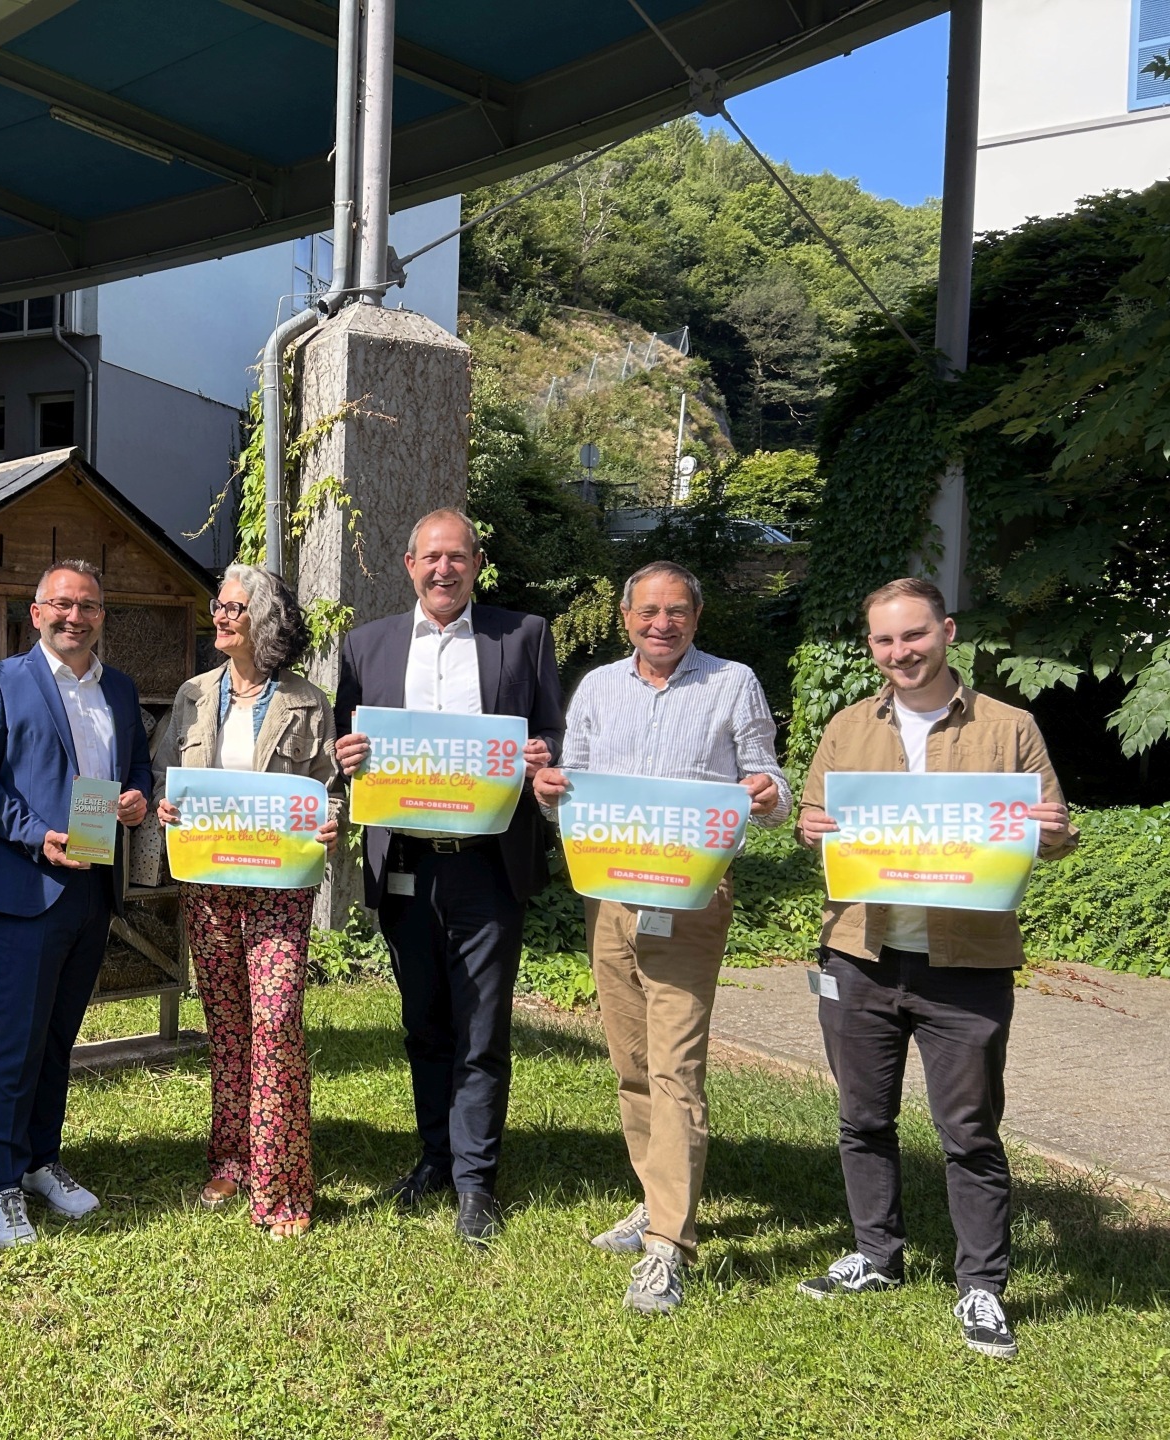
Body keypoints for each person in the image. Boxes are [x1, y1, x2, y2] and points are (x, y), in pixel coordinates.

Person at [794, 577, 1076, 1359]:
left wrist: (1051, 829)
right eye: (884, 641)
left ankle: (981, 1289)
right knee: (862, 1119)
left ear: (946, 632)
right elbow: (812, 821)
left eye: (914, 636)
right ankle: (877, 1257)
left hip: (968, 963)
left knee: (970, 1132)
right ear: (871, 648)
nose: (900, 653)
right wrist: (812, 826)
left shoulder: (1008, 726)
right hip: (860, 956)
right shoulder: (848, 727)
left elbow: (1052, 834)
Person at [530, 561, 790, 1314]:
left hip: (689, 899)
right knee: (633, 1062)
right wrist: (549, 793)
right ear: (625, 616)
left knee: (676, 1065)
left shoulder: (732, 683)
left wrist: (768, 795)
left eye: (677, 611)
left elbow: (767, 787)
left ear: (696, 618)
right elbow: (567, 792)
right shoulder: (598, 688)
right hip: (610, 899)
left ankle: (668, 1245)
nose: (662, 623)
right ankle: (655, 1195)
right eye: (648, 611)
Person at [334, 508, 561, 1246]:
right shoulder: (366, 646)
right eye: (431, 557)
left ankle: (476, 1183)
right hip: (406, 865)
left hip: (488, 869)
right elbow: (346, 742)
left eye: (457, 557)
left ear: (477, 561)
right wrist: (346, 759)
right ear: (409, 564)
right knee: (423, 1024)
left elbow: (555, 731)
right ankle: (434, 1156)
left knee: (482, 1030)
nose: (444, 569)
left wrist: (540, 758)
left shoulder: (521, 636)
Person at [0, 559, 153, 1250]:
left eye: (90, 606)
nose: (77, 617)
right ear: (35, 613)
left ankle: (41, 1161)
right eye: (63, 605)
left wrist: (135, 797)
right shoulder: (3, 682)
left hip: (93, 884)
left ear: (103, 615)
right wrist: (36, 835)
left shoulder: (120, 689)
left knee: (59, 1038)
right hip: (26, 885)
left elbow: (137, 767)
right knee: (17, 1042)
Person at [152, 564, 342, 1240]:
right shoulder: (193, 696)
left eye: (233, 608)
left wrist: (332, 818)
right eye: (218, 606)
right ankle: (232, 1157)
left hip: (279, 890)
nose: (220, 617)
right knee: (229, 1028)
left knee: (276, 1022)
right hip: (208, 888)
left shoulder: (308, 703)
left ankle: (283, 1187)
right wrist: (169, 807)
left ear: (264, 621)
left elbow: (330, 790)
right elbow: (165, 778)